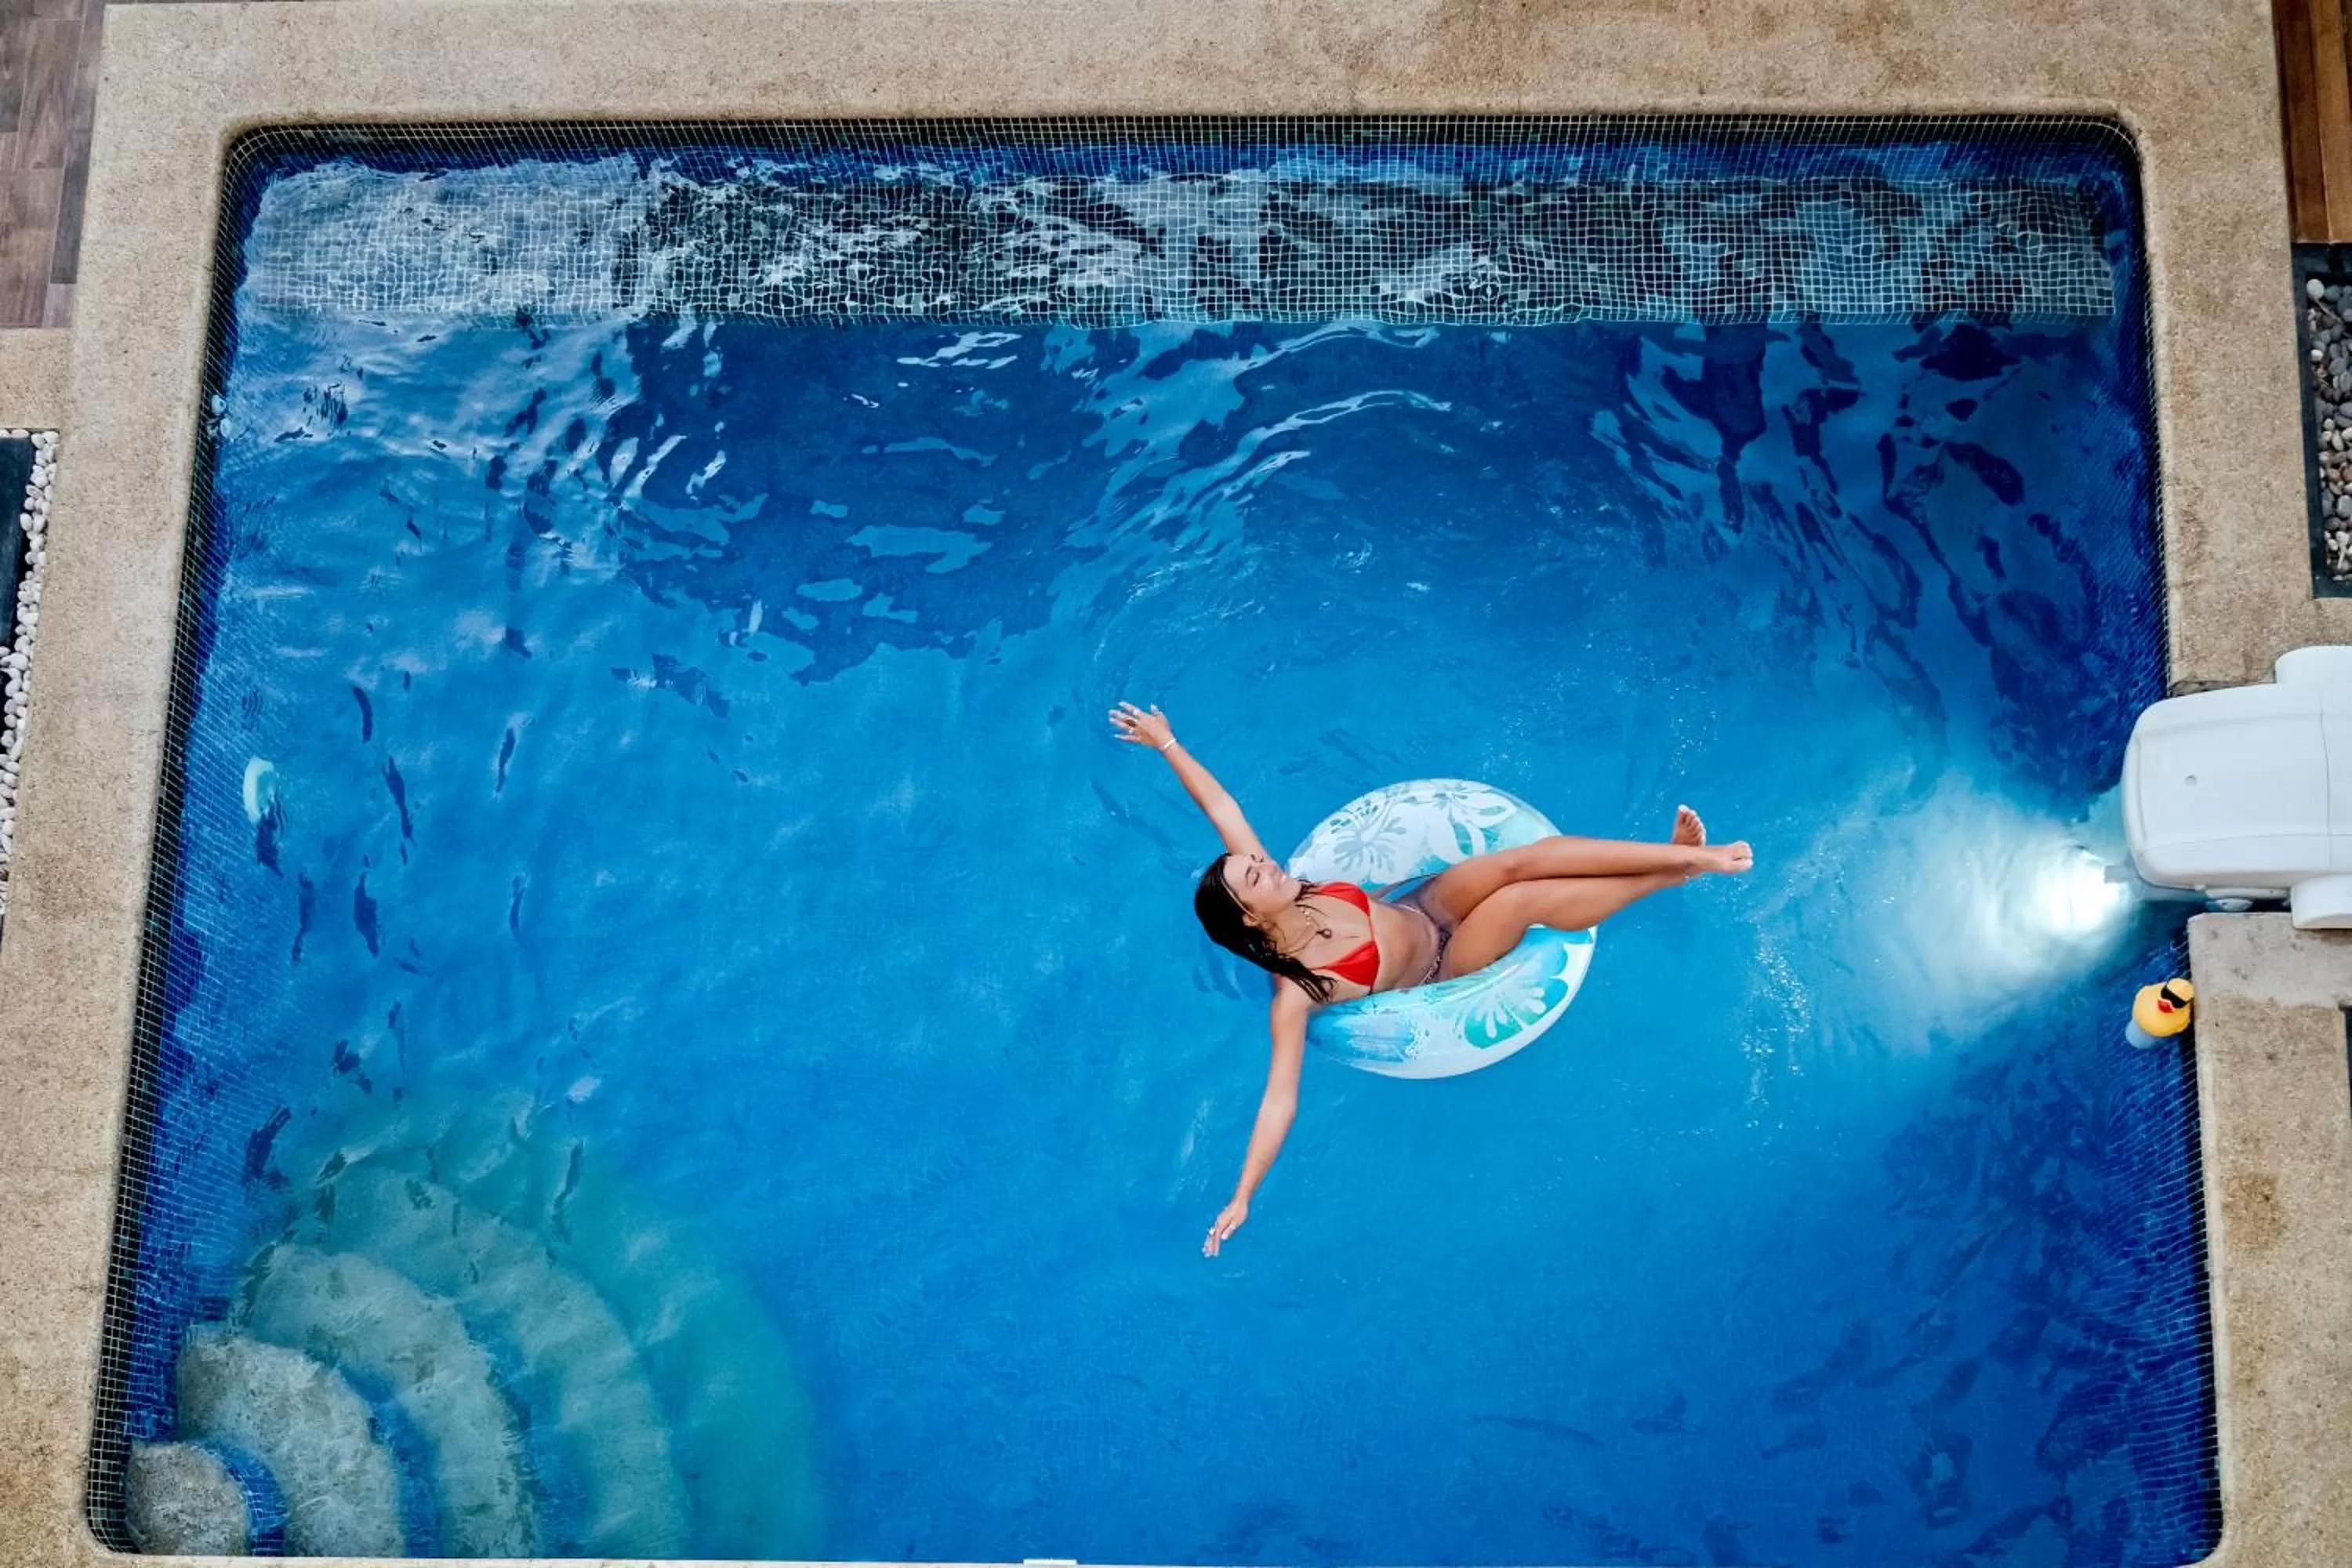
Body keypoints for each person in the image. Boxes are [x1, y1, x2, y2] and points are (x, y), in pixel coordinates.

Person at [1110, 701, 1752, 1256]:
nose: (1266, 864)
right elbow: (1279, 1099)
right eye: (1255, 875)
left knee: (1518, 863)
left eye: (1256, 862)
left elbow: (1221, 807)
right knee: (1516, 902)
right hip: (1445, 964)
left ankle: (1682, 853)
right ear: (1252, 916)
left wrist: (1167, 743)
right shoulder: (1296, 992)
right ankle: (1675, 873)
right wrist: (1243, 1194)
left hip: (1426, 904)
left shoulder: (1287, 887)